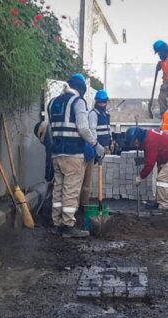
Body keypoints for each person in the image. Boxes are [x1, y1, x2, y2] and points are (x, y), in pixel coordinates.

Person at [40, 74, 104, 238]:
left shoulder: (53, 102)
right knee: (70, 191)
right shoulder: (78, 102)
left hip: (56, 153)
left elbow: (51, 130)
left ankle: (57, 223)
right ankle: (68, 225)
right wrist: (96, 145)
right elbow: (83, 128)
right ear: (81, 89)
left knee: (59, 189)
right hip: (73, 154)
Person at [128, 127, 168, 215]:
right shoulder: (148, 135)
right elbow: (153, 154)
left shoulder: (150, 140)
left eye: (135, 141)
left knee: (161, 180)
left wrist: (141, 177)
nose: (136, 144)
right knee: (160, 178)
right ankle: (159, 202)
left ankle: (164, 205)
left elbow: (150, 163)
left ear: (138, 137)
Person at [80, 89, 112, 207]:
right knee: (90, 175)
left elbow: (108, 128)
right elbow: (92, 130)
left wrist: (111, 140)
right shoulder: (93, 114)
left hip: (106, 146)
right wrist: (96, 146)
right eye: (100, 102)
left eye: (104, 102)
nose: (103, 104)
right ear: (96, 102)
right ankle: (84, 201)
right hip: (97, 146)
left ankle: (102, 194)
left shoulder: (106, 114)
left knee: (105, 172)